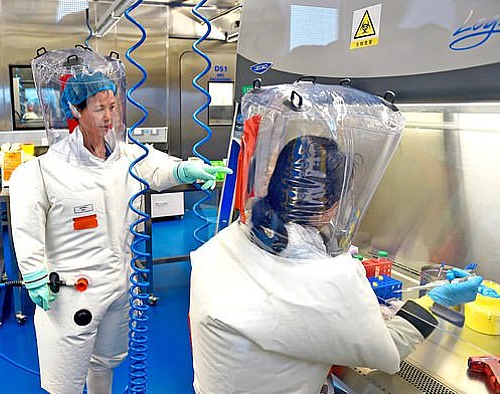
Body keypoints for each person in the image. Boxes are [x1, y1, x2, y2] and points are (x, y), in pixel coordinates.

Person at [188, 83, 482, 393]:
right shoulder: (327, 279)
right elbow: (388, 353)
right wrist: (436, 302)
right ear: (332, 202)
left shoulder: (231, 239)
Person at [9, 48, 229, 394]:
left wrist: (185, 168)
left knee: (106, 362)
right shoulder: (41, 171)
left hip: (121, 283)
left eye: (113, 107)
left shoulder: (127, 155)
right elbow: (26, 227)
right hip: (71, 293)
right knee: (64, 379)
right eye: (99, 108)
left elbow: (157, 168)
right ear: (74, 111)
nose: (108, 116)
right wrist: (34, 273)